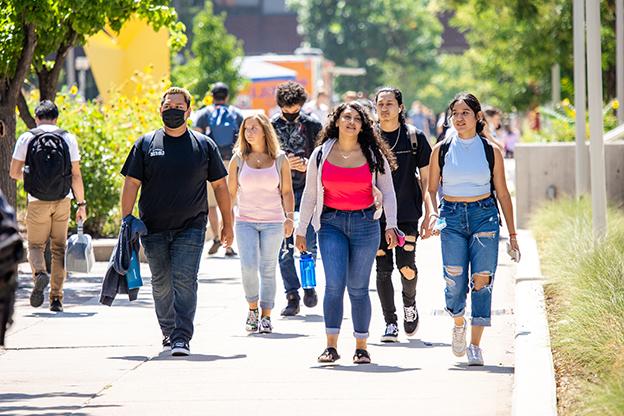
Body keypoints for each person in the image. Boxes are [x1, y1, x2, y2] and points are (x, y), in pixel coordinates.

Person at [121, 86, 233, 356]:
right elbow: (131, 183)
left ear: (189, 111)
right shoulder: (145, 144)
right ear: (160, 109)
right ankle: (168, 331)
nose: (173, 111)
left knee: (184, 280)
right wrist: (126, 221)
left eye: (178, 107)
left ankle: (182, 336)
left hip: (192, 227)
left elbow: (220, 186)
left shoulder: (203, 146)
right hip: (152, 227)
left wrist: (228, 223)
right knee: (160, 282)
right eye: (168, 106)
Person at [295, 101, 399, 364]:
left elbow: (388, 192)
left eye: (357, 119)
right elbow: (309, 195)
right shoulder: (320, 154)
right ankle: (331, 346)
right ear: (337, 121)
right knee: (333, 285)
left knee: (358, 288)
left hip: (366, 224)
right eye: (346, 117)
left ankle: (361, 346)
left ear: (363, 125)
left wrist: (391, 224)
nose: (351, 122)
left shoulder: (373, 154)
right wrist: (301, 229)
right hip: (331, 224)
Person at [427, 92, 520, 366]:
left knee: (482, 280)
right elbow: (431, 190)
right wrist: (431, 214)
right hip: (452, 218)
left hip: (484, 216)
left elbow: (503, 194)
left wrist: (513, 235)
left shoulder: (491, 151)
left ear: (478, 116)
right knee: (454, 280)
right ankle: (458, 322)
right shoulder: (440, 149)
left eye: (465, 112)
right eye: (455, 113)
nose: (459, 118)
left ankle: (476, 345)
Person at [9, 100, 87, 312]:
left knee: (35, 246)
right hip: (63, 200)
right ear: (56, 118)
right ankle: (56, 298)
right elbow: (76, 175)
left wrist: (31, 174)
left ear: (36, 118)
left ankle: (40, 274)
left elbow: (14, 173)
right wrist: (82, 204)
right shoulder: (67, 138)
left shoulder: (27, 137)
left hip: (36, 201)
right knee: (58, 248)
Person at [374, 87, 434, 342]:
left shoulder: (414, 137)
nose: (385, 108)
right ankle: (390, 322)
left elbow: (429, 181)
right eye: (380, 104)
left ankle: (410, 305)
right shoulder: (369, 138)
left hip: (408, 212)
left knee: (406, 267)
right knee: (382, 267)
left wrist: (431, 213)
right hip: (375, 216)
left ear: (400, 107)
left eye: (389, 103)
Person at [228, 114, 295, 334]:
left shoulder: (279, 159)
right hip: (245, 221)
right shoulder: (238, 159)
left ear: (265, 130)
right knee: (248, 267)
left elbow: (286, 191)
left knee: (268, 268)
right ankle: (252, 309)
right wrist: (226, 223)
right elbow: (230, 195)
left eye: (254, 128)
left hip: (273, 222)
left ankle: (266, 316)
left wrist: (289, 217)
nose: (249, 133)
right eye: (246, 129)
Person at [271, 81, 323, 316]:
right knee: (284, 246)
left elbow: (323, 155)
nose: (291, 115)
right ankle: (292, 295)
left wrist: (306, 165)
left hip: (308, 191)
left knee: (308, 243)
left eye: (295, 110)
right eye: (286, 110)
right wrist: (280, 166)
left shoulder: (312, 125)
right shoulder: (270, 126)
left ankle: (309, 285)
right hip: (279, 192)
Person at [192, 82, 243, 257]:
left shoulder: (204, 114)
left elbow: (197, 137)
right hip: (231, 161)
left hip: (210, 161)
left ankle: (215, 237)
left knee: (212, 204)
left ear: (212, 96)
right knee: (229, 203)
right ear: (227, 96)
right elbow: (243, 139)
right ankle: (228, 244)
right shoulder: (236, 113)